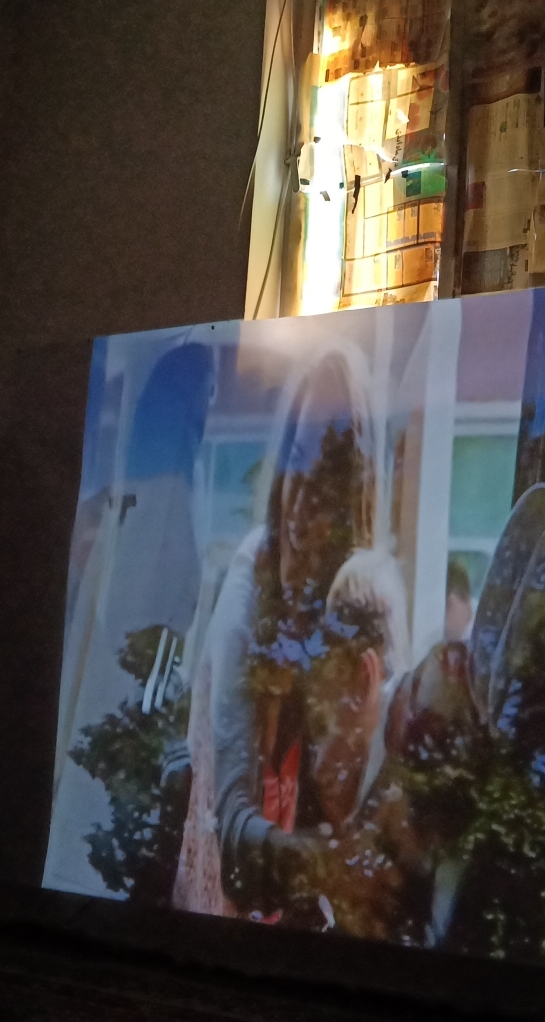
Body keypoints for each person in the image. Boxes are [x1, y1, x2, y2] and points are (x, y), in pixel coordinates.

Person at [172, 351, 378, 922]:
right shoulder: (251, 578)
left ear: (351, 498)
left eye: (326, 476)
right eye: (295, 461)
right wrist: (331, 867)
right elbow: (233, 825)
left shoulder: (350, 606)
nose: (300, 504)